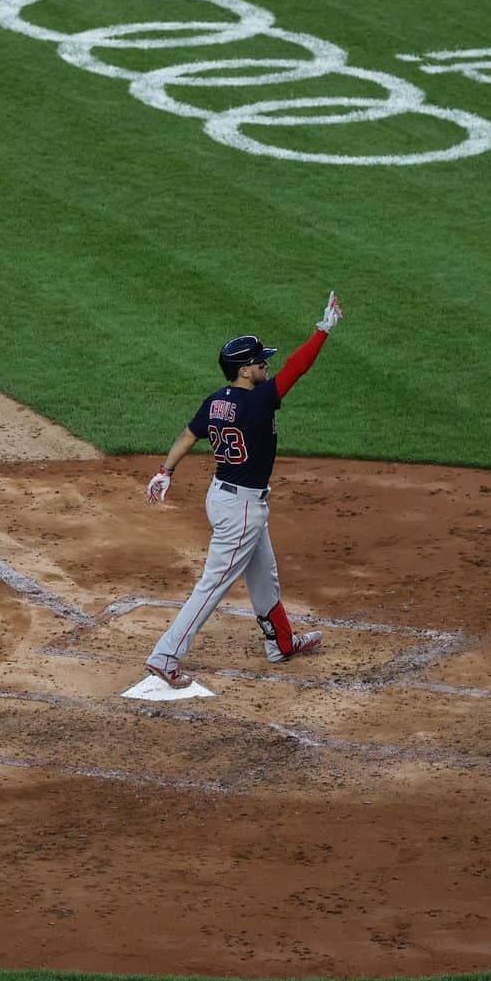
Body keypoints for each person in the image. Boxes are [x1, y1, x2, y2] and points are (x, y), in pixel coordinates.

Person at [143, 292, 344, 688]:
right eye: (258, 361)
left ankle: (281, 644)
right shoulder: (259, 403)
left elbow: (189, 434)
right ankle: (165, 656)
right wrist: (323, 330)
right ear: (244, 371)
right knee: (214, 583)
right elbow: (297, 369)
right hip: (243, 509)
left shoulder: (217, 401)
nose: (265, 364)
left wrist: (165, 470)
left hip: (223, 496)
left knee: (264, 575)